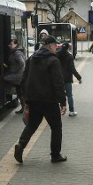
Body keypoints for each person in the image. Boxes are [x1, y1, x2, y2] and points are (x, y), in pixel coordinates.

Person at [13, 35, 67, 164]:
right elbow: (58, 83)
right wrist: (63, 102)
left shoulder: (32, 58)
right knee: (56, 127)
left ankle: (21, 145)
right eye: (55, 45)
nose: (56, 48)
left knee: (32, 125)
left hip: (33, 99)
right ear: (50, 46)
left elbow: (23, 78)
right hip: (49, 101)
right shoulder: (53, 61)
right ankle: (55, 155)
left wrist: (25, 96)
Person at [57, 42, 82, 116]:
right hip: (67, 78)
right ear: (68, 48)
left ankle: (61, 109)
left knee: (60, 94)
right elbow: (72, 69)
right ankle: (71, 111)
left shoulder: (57, 54)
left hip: (58, 77)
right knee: (69, 95)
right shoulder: (69, 56)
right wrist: (79, 78)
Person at [3, 38, 26, 111]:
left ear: (16, 44)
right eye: (9, 44)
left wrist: (14, 71)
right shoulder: (15, 52)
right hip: (19, 75)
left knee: (3, 79)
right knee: (20, 92)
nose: (10, 46)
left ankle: (8, 94)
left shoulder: (17, 53)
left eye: (11, 44)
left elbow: (22, 63)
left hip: (18, 76)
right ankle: (23, 108)